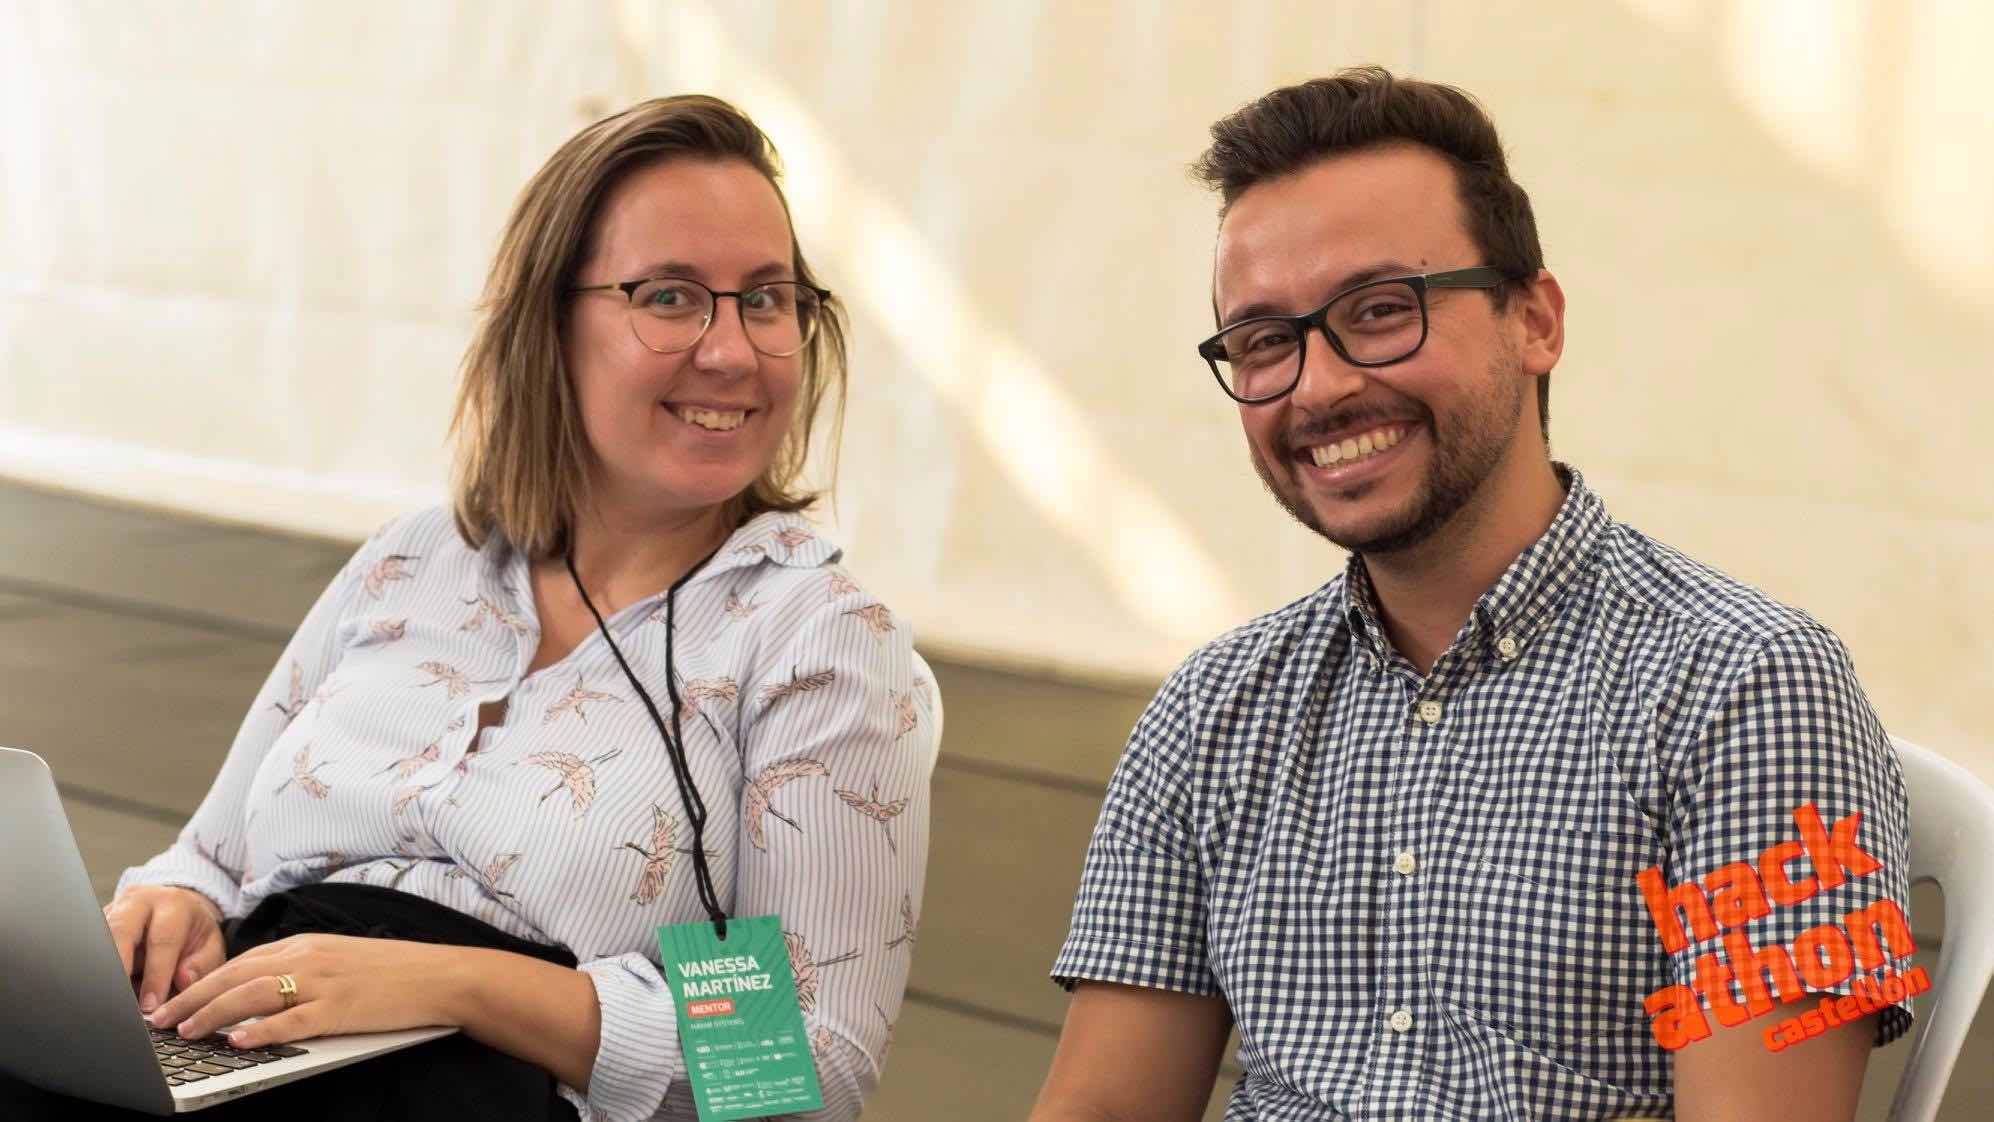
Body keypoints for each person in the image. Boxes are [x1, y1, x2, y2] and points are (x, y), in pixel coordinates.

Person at [10, 95, 933, 1121]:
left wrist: (452, 984)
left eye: (766, 299)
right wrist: (172, 906)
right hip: (240, 1041)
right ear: (548, 326)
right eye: (671, 297)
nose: (732, 351)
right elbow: (210, 860)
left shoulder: (817, 639)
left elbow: (808, 1057)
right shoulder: (417, 559)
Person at [1030, 68, 1912, 1122]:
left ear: (1534, 320)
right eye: (1265, 341)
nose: (1318, 385)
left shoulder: (1749, 689)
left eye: (1379, 311)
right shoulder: (1211, 709)